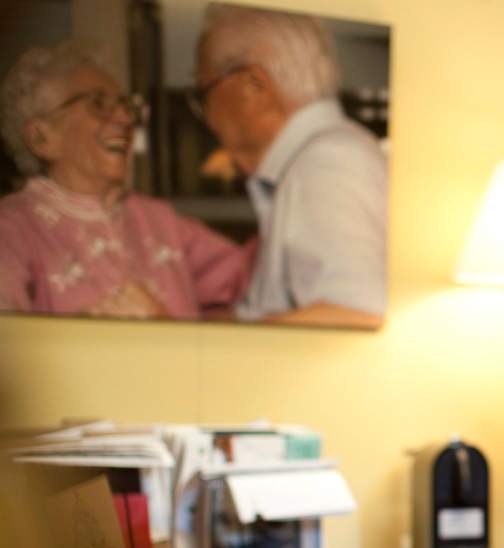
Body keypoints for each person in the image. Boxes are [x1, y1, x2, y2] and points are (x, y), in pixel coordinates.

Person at [0, 42, 252, 320]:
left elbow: (252, 281)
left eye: (126, 106)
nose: (124, 119)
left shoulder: (158, 220)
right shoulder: (12, 229)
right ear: (41, 138)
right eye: (99, 104)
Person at [193, 4, 388, 328]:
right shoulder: (317, 159)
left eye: (204, 93)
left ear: (255, 85)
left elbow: (355, 314)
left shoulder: (326, 165)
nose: (205, 114)